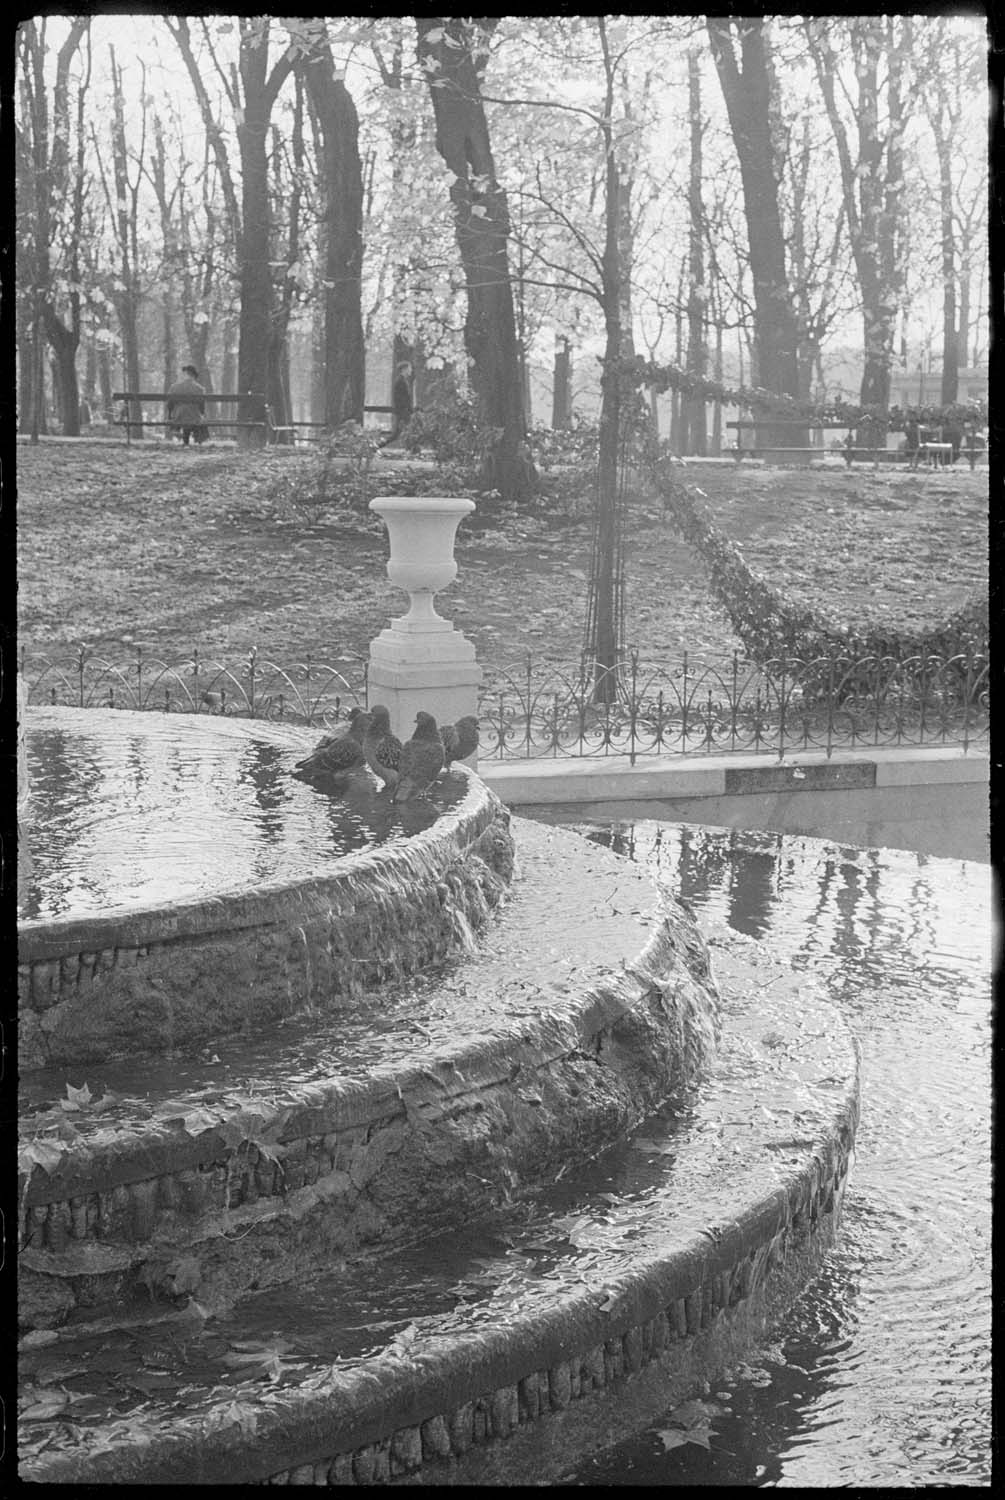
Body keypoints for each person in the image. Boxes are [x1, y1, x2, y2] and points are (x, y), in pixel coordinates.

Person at [166, 364, 207, 446]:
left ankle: (179, 434)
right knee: (198, 418)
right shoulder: (200, 389)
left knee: (184, 413)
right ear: (194, 376)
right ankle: (199, 440)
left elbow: (170, 404)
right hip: (194, 417)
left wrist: (170, 415)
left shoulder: (174, 387)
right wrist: (202, 414)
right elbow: (201, 406)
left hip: (178, 416)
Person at [381, 360, 414, 447]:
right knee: (398, 433)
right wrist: (406, 409)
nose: (411, 370)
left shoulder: (403, 380)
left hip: (404, 411)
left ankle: (412, 450)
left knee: (405, 432)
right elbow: (400, 399)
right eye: (410, 368)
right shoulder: (400, 381)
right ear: (404, 369)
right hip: (403, 412)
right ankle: (378, 445)